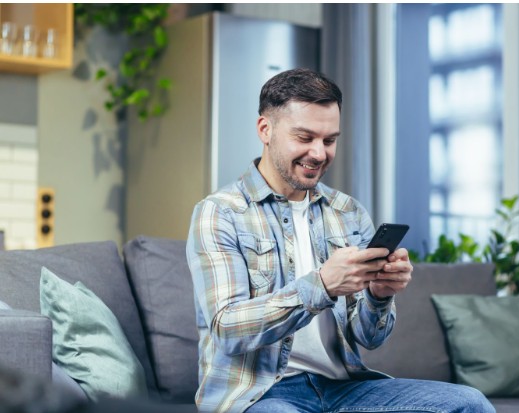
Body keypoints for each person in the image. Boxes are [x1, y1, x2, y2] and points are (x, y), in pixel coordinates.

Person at [186, 68, 495, 413]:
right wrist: (322, 285)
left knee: (469, 404)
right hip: (260, 394)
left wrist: (379, 296)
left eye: (329, 140)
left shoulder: (347, 212)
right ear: (265, 130)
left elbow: (370, 339)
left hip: (342, 389)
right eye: (304, 138)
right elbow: (227, 329)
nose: (319, 154)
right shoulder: (220, 213)